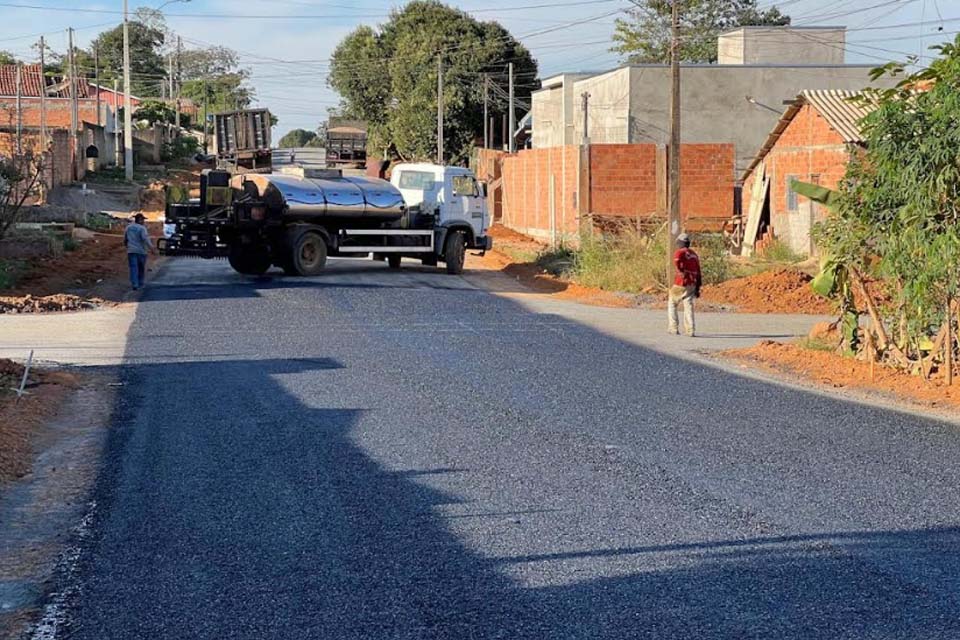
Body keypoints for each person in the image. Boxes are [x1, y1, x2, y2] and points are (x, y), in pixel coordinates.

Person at [668, 232, 701, 337]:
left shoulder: (680, 252)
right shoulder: (694, 254)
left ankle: (673, 328)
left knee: (672, 303)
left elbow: (677, 262)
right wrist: (698, 287)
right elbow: (699, 271)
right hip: (692, 283)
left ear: (681, 243)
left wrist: (681, 271)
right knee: (688, 306)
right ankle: (690, 330)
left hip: (681, 282)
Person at [124, 213, 154, 291]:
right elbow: (145, 239)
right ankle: (140, 283)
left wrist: (127, 246)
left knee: (133, 268)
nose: (144, 221)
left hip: (131, 251)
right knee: (141, 268)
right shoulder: (142, 228)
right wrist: (151, 248)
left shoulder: (128, 227)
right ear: (140, 220)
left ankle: (135, 284)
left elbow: (125, 239)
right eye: (143, 220)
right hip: (141, 251)